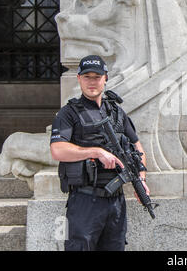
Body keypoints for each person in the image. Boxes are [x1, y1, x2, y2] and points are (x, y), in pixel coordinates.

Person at [50, 55, 149, 251]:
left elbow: (137, 147)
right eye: (87, 77)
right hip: (85, 201)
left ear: (106, 78)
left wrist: (142, 179)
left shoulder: (117, 112)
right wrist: (95, 151)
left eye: (97, 77)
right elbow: (57, 150)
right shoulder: (68, 113)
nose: (92, 82)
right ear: (79, 79)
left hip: (116, 202)